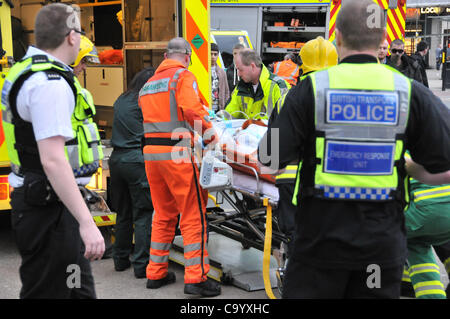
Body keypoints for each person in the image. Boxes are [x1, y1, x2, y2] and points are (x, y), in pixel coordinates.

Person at [258, 0, 450, 299]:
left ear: (337, 38)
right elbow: (444, 169)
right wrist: (408, 166)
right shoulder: (409, 91)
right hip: (379, 248)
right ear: (384, 40)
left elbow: (268, 159)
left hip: (319, 244)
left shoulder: (307, 91)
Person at [1, 3, 105, 298]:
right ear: (72, 37)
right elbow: (53, 160)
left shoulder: (23, 70)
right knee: (50, 292)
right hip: (49, 211)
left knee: (77, 290)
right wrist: (87, 222)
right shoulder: (50, 83)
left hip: (46, 205)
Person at [139, 37, 221, 297]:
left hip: (152, 154)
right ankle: (195, 278)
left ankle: (156, 272)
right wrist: (211, 138)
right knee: (193, 214)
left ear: (165, 55)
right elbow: (192, 111)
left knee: (163, 214)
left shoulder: (149, 84)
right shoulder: (183, 77)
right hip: (177, 153)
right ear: (187, 56)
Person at [271, 36, 338, 269]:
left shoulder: (287, 99)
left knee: (299, 240)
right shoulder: (350, 98)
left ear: (301, 66)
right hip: (337, 182)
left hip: (293, 184)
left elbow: (271, 153)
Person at [109, 67, 155, 279]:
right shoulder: (144, 101)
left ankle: (119, 260)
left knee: (123, 212)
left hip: (116, 160)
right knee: (143, 213)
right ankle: (141, 265)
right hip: (135, 161)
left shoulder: (121, 98)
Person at [401, 153, 450, 299]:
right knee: (416, 241)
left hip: (424, 215)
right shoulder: (435, 143)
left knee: (390, 230)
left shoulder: (400, 146)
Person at [225, 49, 290, 120]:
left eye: (240, 69)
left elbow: (284, 123)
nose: (238, 74)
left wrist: (272, 131)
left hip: (271, 131)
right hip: (248, 130)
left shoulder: (279, 87)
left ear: (252, 66)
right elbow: (229, 115)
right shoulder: (240, 88)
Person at [210, 42, 230, 112]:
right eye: (211, 54)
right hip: (206, 108)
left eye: (215, 54)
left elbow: (226, 90)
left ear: (218, 55)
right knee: (200, 123)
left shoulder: (222, 72)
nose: (213, 56)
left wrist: (225, 106)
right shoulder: (203, 71)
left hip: (219, 109)